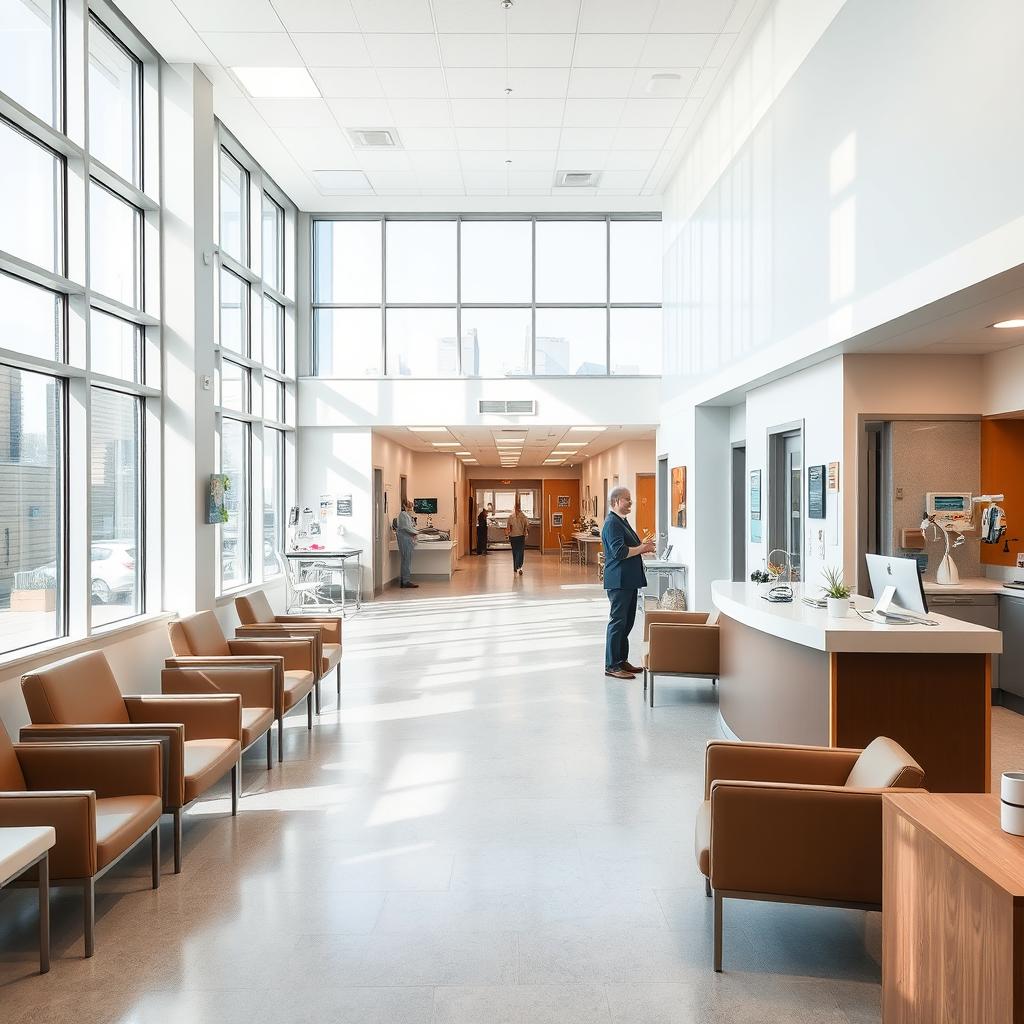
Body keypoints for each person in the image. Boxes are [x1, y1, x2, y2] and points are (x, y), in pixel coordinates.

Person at [602, 486, 655, 679]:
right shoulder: (612, 523)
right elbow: (619, 552)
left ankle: (621, 660)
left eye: (630, 499)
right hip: (619, 581)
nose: (630, 502)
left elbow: (630, 546)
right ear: (615, 501)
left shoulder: (622, 521)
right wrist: (642, 548)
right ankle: (612, 665)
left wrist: (643, 547)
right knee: (618, 622)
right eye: (627, 499)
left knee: (627, 622)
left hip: (629, 580)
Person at [397, 499, 419, 588]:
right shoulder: (402, 515)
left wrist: (414, 531)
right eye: (409, 505)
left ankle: (404, 580)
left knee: (406, 560)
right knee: (406, 561)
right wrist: (416, 533)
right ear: (404, 505)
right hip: (405, 540)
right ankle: (405, 581)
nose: (411, 506)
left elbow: (411, 526)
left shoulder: (407, 515)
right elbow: (406, 528)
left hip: (407, 539)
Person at [506, 502, 528, 576]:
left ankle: (516, 567)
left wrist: (507, 534)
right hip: (520, 536)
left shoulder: (510, 517)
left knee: (515, 552)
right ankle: (519, 566)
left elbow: (508, 528)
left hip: (513, 537)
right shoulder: (523, 516)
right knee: (520, 552)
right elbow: (527, 525)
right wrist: (525, 532)